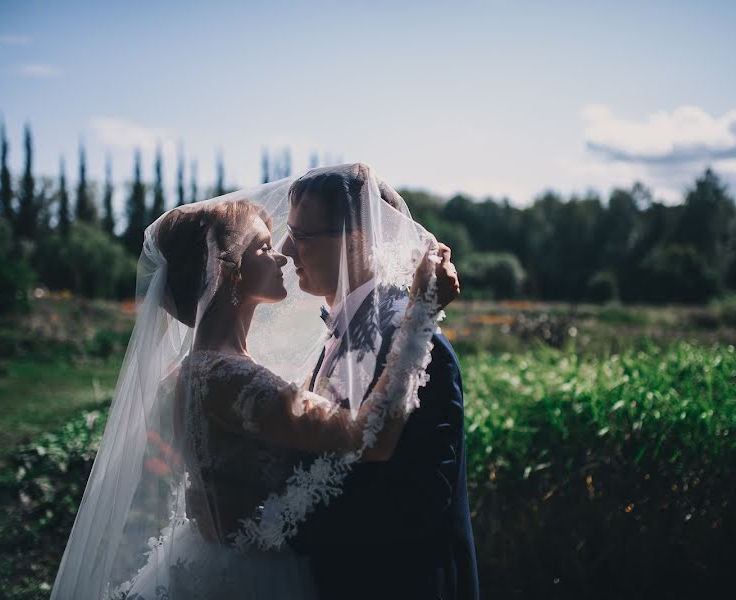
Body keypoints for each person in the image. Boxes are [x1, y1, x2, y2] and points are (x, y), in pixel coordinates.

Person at [50, 169, 460, 599]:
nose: (282, 252)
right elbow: (365, 437)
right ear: (229, 273)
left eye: (294, 237)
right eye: (266, 246)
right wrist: (422, 311)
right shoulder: (226, 375)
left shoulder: (211, 370)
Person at [283, 164, 479, 600]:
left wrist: (290, 523)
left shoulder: (416, 344)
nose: (285, 250)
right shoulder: (341, 332)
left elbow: (421, 502)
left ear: (356, 241)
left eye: (301, 236)